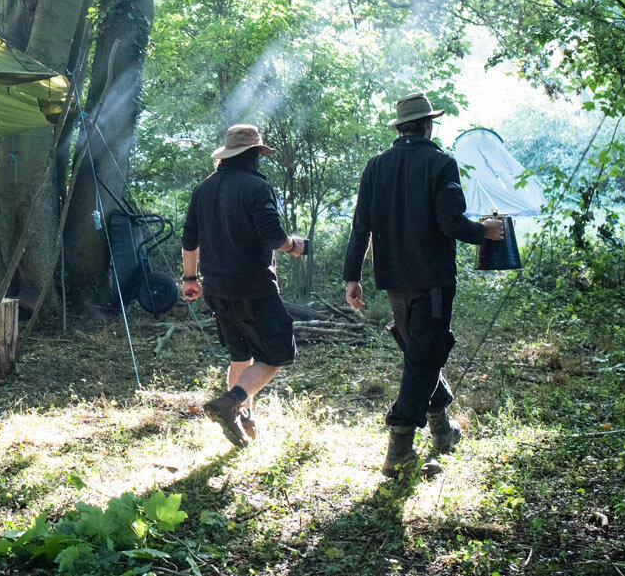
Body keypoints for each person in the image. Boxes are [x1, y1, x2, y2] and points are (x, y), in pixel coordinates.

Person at [342, 91, 505, 476]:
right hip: (431, 279)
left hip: (393, 279)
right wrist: (486, 232)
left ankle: (443, 431)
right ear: (429, 125)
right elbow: (451, 224)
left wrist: (352, 276)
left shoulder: (375, 165)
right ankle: (399, 447)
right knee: (423, 356)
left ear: (400, 128)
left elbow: (360, 227)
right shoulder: (440, 163)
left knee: (421, 353)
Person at [181, 124, 306, 448]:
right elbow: (274, 238)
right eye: (258, 155)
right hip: (254, 289)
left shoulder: (204, 189)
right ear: (252, 155)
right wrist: (296, 246)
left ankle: (244, 418)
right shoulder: (256, 188)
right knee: (277, 355)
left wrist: (190, 279)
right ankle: (230, 402)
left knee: (241, 356)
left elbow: (189, 240)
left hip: (217, 290)